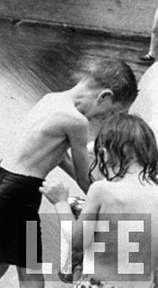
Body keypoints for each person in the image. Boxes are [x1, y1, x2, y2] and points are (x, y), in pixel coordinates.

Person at [0, 58, 138, 288]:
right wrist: (110, 195)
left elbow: (58, 156)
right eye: (109, 113)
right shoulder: (77, 122)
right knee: (32, 276)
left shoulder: (50, 99)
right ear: (104, 96)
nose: (104, 120)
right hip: (19, 193)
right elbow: (85, 179)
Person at [41, 113, 158, 288]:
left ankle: (69, 272)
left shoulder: (102, 190)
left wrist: (60, 202)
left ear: (104, 154)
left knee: (73, 205)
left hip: (100, 285)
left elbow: (77, 242)